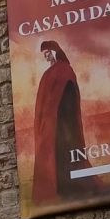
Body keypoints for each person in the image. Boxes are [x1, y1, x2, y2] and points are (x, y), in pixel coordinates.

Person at [32, 40, 86, 208]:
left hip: (64, 124)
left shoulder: (64, 70)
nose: (46, 55)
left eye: (47, 51)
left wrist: (61, 118)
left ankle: (70, 188)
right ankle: (61, 189)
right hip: (52, 126)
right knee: (55, 155)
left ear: (55, 51)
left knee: (65, 154)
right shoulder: (49, 73)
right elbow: (45, 101)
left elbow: (69, 95)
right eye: (44, 53)